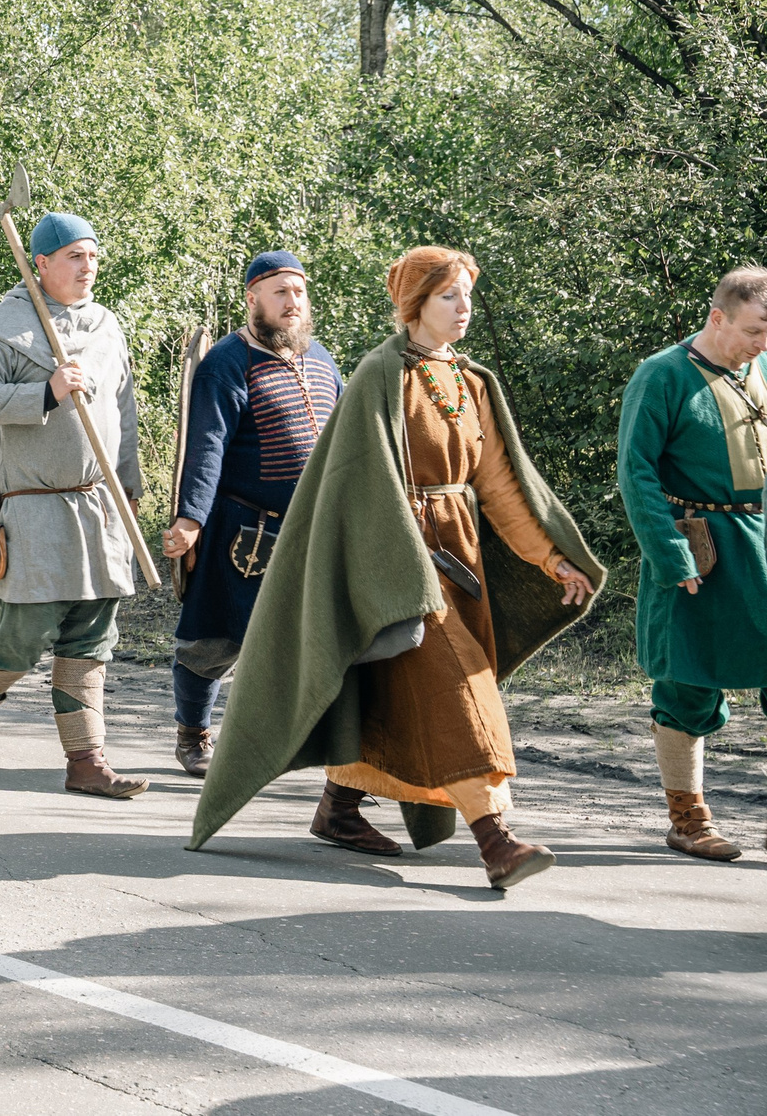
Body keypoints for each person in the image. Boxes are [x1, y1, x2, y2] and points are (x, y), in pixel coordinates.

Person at [191, 246, 600, 890]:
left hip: (458, 555)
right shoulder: (381, 375)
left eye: (467, 295)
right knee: (455, 688)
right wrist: (397, 554)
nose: (464, 308)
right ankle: (496, 841)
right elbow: (357, 484)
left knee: (388, 687)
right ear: (415, 305)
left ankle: (339, 805)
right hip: (397, 556)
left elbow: (498, 488)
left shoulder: (470, 382)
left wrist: (549, 557)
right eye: (449, 297)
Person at [0, 215, 147, 796]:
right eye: (74, 257)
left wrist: (130, 488)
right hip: (32, 507)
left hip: (99, 506)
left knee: (92, 635)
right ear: (40, 264)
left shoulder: (106, 325)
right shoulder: (7, 327)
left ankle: (86, 762)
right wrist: (47, 391)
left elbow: (123, 412)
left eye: (93, 256)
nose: (89, 267)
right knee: (28, 629)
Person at [159, 252, 344, 776]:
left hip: (312, 531)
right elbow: (207, 445)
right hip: (246, 531)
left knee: (313, 643)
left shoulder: (322, 359)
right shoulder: (227, 362)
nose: (292, 303)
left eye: (299, 292)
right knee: (215, 642)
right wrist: (190, 519)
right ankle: (193, 732)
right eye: (280, 292)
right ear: (253, 299)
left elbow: (349, 435)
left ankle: (294, 746)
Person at [616, 265, 767, 862]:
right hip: (697, 545)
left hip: (762, 540)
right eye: (755, 331)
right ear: (717, 317)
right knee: (687, 681)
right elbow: (637, 472)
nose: (763, 344)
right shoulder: (663, 375)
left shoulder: (759, 369)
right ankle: (688, 816)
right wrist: (669, 551)